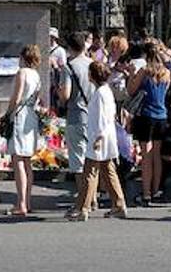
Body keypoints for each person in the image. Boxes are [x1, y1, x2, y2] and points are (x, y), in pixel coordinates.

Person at [66, 60, 128, 221]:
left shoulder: (99, 93)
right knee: (108, 170)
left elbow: (100, 117)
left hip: (98, 136)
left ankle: (83, 208)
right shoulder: (106, 91)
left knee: (89, 172)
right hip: (107, 136)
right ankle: (119, 204)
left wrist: (98, 137)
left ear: (92, 75)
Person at [125, 41, 170, 206]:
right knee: (157, 155)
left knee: (146, 156)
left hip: (146, 115)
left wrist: (131, 74)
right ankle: (156, 189)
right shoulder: (166, 73)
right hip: (161, 115)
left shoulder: (145, 71)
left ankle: (146, 193)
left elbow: (131, 90)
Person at [5, 44, 42, 217]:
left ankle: (20, 203)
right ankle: (27, 200)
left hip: (20, 115)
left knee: (18, 158)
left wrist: (7, 112)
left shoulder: (22, 73)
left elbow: (17, 97)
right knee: (27, 160)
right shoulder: (36, 76)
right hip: (31, 116)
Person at [57, 32, 93, 179]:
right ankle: (93, 197)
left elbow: (65, 95)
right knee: (92, 160)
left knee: (78, 161)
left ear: (69, 47)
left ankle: (83, 198)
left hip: (76, 116)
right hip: (94, 116)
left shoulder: (69, 67)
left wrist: (59, 92)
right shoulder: (93, 64)